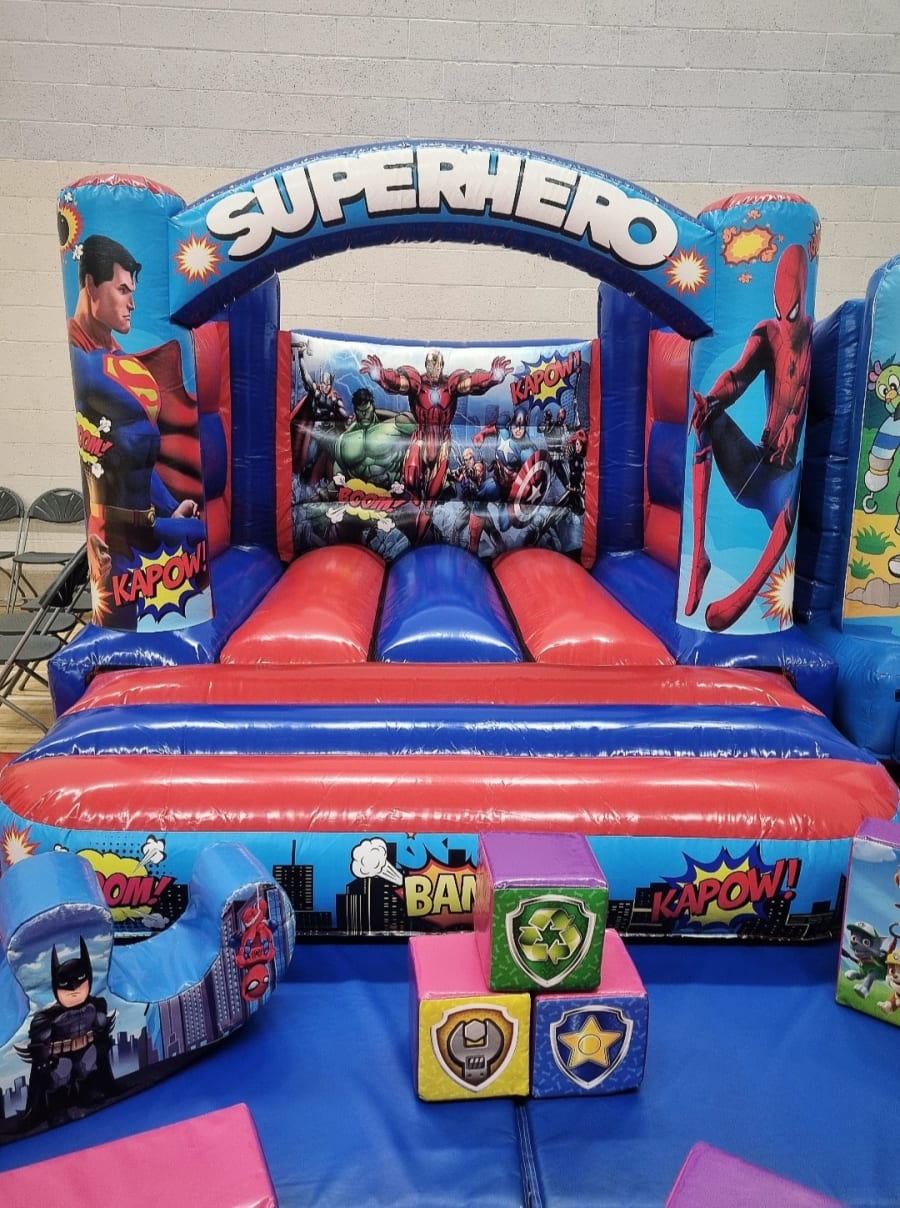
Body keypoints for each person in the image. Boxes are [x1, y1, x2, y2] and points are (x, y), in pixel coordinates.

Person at [68, 234, 204, 626]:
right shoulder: (83, 363)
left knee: (197, 534)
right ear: (91, 286)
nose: (133, 304)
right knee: (128, 624)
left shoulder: (116, 362)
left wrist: (169, 507)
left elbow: (136, 457)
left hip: (148, 529)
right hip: (115, 540)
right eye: (123, 290)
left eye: (133, 291)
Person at [684, 243, 812, 631]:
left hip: (782, 487)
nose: (785, 321)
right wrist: (710, 401)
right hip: (754, 465)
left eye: (792, 313)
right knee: (706, 417)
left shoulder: (812, 341)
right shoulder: (768, 333)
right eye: (779, 311)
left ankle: (744, 594)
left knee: (798, 480)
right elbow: (737, 376)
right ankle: (699, 557)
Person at [361, 348, 512, 538]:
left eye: (437, 365)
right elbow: (399, 383)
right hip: (422, 438)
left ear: (441, 365)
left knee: (431, 497)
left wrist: (492, 377)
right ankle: (414, 511)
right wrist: (380, 375)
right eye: (430, 365)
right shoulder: (417, 383)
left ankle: (418, 539)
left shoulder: (451, 385)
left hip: (441, 443)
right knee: (410, 479)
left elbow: (471, 384)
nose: (433, 369)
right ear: (426, 365)